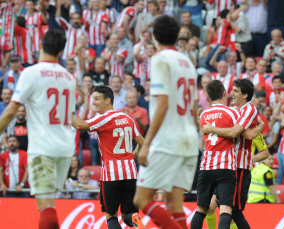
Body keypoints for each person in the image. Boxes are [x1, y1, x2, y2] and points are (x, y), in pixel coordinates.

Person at [0, 29, 76, 229]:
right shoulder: (69, 77)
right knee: (49, 205)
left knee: (45, 208)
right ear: (61, 52)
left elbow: (11, 111)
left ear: (41, 46)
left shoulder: (31, 73)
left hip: (43, 147)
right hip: (65, 148)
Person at [133, 15, 198, 229]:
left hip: (168, 140)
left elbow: (162, 104)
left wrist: (148, 143)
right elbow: (194, 106)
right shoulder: (187, 62)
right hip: (188, 139)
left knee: (141, 199)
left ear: (154, 36)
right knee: (174, 205)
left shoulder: (160, 59)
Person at [72, 85, 146, 229]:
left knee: (111, 217)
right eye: (93, 98)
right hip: (131, 172)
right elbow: (143, 142)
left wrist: (64, 111)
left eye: (97, 99)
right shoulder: (127, 118)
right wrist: (135, 152)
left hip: (111, 174)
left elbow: (80, 125)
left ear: (108, 101)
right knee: (128, 215)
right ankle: (135, 218)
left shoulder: (103, 118)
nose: (94, 102)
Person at [202, 78, 268, 229]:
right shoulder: (233, 110)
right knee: (215, 207)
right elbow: (241, 131)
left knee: (234, 211)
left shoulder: (249, 110)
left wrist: (212, 128)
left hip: (240, 167)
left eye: (236, 91)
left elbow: (245, 134)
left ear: (245, 95)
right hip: (226, 165)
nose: (232, 94)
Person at [191, 80, 240, 229]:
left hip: (206, 166)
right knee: (225, 209)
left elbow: (202, 141)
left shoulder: (204, 114)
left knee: (201, 209)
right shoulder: (232, 112)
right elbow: (236, 136)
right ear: (224, 94)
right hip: (226, 166)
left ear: (208, 97)